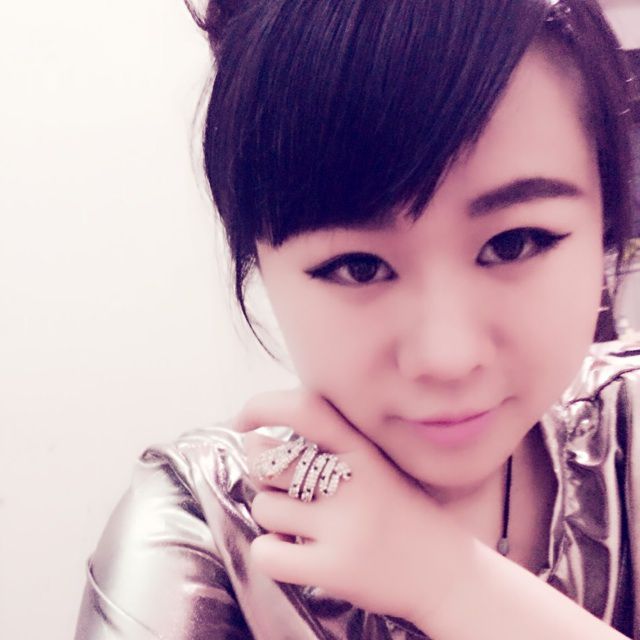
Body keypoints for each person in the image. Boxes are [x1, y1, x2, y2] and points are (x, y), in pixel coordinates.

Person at [74, 0, 640, 638]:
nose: (447, 357)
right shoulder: (198, 532)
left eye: (513, 244)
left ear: (606, 223)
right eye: (359, 267)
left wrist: (453, 585)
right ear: (259, 262)